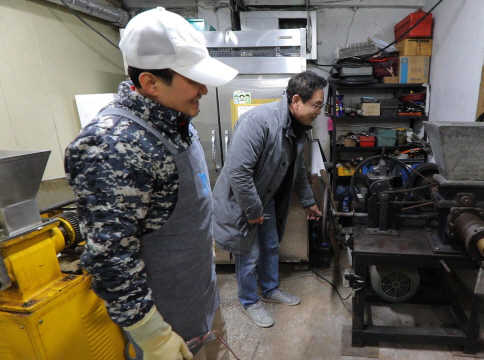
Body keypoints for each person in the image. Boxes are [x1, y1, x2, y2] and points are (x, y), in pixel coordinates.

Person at [65, 7, 238, 360]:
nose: (204, 88)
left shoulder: (176, 123)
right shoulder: (112, 145)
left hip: (200, 298)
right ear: (150, 83)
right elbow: (110, 255)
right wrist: (152, 335)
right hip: (164, 323)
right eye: (193, 79)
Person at [211, 71, 327, 328]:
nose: (319, 112)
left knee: (271, 246)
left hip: (268, 198)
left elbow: (296, 170)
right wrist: (252, 210)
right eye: (316, 105)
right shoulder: (259, 122)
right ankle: (250, 301)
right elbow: (238, 172)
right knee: (248, 254)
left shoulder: (298, 130)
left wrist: (308, 201)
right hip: (243, 201)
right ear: (296, 101)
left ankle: (270, 289)